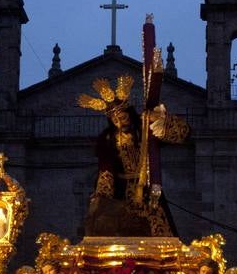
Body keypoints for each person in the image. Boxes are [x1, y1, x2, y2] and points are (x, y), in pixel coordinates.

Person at [78, 76, 189, 236]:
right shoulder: (108, 139)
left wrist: (159, 119)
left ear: (129, 114)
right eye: (115, 120)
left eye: (122, 117)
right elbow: (106, 169)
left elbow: (182, 134)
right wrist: (102, 197)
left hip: (147, 191)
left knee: (158, 233)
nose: (120, 123)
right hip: (120, 193)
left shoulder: (145, 130)